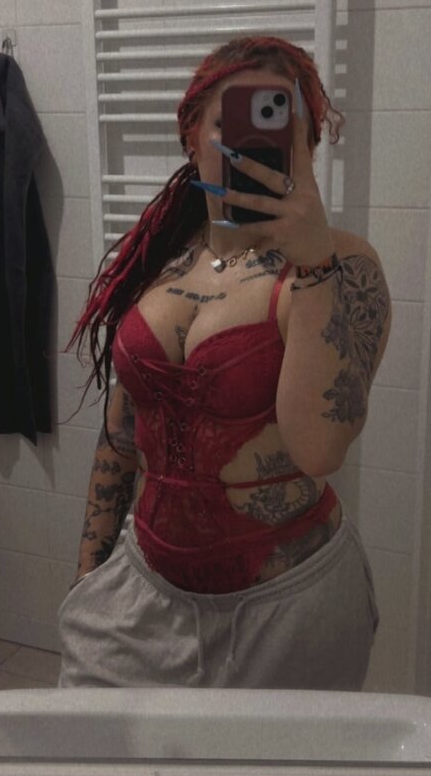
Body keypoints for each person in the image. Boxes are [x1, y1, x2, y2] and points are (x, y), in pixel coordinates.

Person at [56, 35, 391, 690]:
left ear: (308, 145)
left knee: (276, 765)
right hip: (143, 592)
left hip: (291, 609)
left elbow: (320, 447)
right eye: (231, 123)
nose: (255, 144)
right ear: (191, 136)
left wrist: (314, 263)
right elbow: (122, 434)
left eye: (286, 126)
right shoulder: (158, 259)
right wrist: (90, 576)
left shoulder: (344, 267)